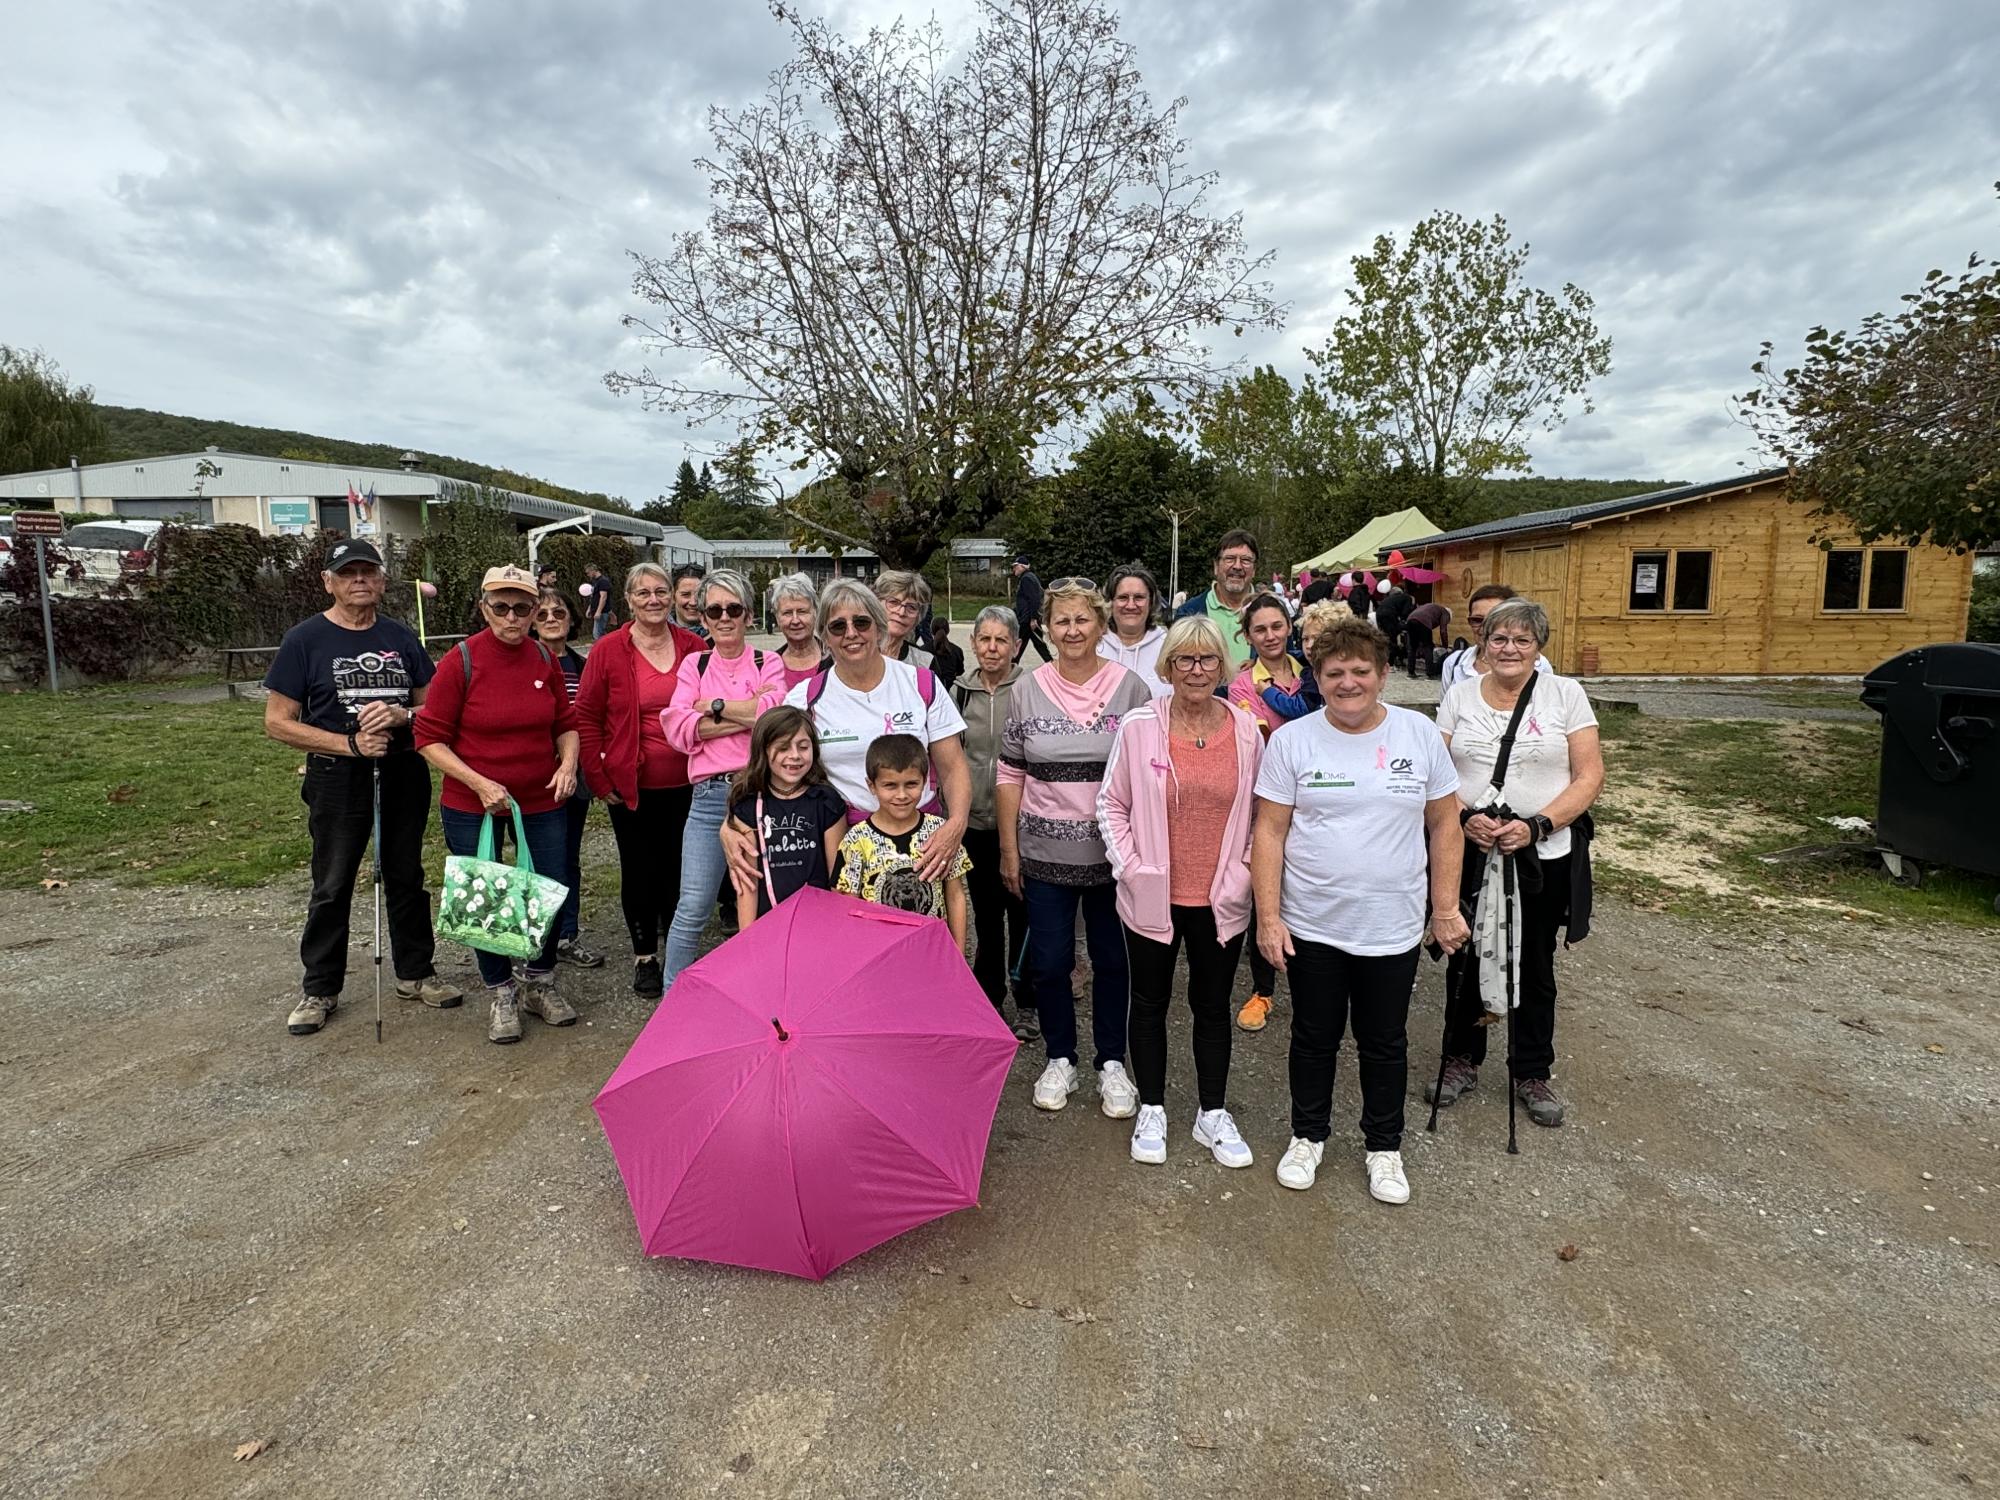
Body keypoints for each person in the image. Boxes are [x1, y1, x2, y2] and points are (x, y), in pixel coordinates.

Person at [1252, 616, 1468, 1204]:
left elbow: (1445, 822)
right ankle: (1308, 1135)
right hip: (1313, 922)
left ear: (1383, 674)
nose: (1348, 683)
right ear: (1316, 679)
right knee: (1313, 1036)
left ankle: (1383, 1147)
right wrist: (1268, 918)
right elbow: (1269, 832)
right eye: (1334, 673)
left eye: (1360, 671)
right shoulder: (1293, 741)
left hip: (1390, 924)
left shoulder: (1417, 735)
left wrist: (1444, 908)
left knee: (1384, 1040)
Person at [263, 537, 458, 1036]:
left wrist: (403, 715)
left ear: (383, 580)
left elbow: (433, 706)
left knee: (406, 874)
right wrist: (347, 744)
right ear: (328, 582)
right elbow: (278, 722)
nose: (359, 581)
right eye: (348, 574)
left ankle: (416, 973)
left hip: (401, 768)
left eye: (368, 572)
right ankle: (320, 987)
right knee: (333, 882)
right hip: (336, 773)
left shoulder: (401, 636)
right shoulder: (304, 640)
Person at [1430, 597, 1604, 1128]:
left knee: (1535, 963)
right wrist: (1463, 817)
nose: (1508, 649)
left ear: (1538, 647)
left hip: (1541, 851)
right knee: (1463, 952)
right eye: (1499, 638)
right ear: (1484, 643)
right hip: (1472, 847)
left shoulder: (1565, 695)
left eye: (1521, 640)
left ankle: (1532, 1069)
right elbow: (1435, 770)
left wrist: (1537, 825)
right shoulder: (1460, 696)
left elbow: (1589, 776)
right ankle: (1461, 1058)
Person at [1098, 615, 1264, 1168]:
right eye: (1185, 660)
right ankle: (1152, 1106)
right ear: (1168, 667)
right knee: (1148, 1003)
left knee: (1212, 1006)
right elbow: (1111, 804)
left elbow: (1262, 814)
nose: (1197, 670)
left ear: (1223, 666)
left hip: (1219, 899)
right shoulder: (1140, 726)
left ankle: (1211, 1113)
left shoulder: (1244, 729)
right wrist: (1133, 868)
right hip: (1153, 896)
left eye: (1208, 659)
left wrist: (1243, 870)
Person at [998, 577, 1153, 1116]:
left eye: (1082, 620)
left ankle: (1112, 1063)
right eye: (1061, 621)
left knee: (1113, 960)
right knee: (1049, 961)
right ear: (1045, 627)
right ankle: (1060, 1056)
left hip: (1114, 856)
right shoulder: (1025, 688)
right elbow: (1010, 771)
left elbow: (1145, 771)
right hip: (1043, 853)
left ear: (1101, 625)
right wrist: (1009, 850)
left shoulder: (1132, 687)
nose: (1072, 630)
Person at [414, 564, 582, 1044]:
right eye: (502, 606)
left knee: (551, 887)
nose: (512, 616)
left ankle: (539, 981)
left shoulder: (544, 661)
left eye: (522, 607)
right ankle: (501, 989)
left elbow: (565, 723)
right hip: (474, 802)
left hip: (540, 798)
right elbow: (428, 738)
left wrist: (568, 764)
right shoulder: (461, 661)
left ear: (534, 611)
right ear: (484, 607)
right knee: (485, 893)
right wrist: (479, 782)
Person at [726, 581, 972, 890]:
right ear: (825, 637)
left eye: (861, 622)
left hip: (918, 840)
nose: (851, 633)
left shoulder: (921, 685)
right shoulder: (806, 698)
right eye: (838, 626)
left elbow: (953, 768)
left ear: (878, 626)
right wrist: (730, 824)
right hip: (843, 842)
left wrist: (955, 826)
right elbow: (766, 770)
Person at [575, 562, 707, 1000]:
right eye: (643, 593)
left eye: (661, 591)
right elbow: (588, 716)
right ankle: (644, 956)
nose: (654, 600)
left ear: (672, 597)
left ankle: (676, 950)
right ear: (628, 600)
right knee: (638, 869)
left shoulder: (692, 645)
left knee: (679, 868)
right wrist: (596, 775)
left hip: (689, 778)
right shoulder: (609, 650)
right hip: (630, 781)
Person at [660, 568, 789, 984]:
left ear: (749, 614)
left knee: (765, 900)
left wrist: (710, 707)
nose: (724, 617)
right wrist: (746, 711)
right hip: (710, 797)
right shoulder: (693, 665)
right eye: (714, 610)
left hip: (760, 794)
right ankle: (671, 998)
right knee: (694, 903)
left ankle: (765, 995)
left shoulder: (766, 661)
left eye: (733, 608)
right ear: (704, 617)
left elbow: (773, 716)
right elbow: (677, 729)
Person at [952, 605, 1039, 1040]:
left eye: (1000, 640)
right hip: (974, 824)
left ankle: (1027, 1003)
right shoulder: (959, 691)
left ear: (1016, 646)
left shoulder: (1031, 688)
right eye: (984, 639)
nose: (991, 648)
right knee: (986, 917)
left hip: (1021, 824)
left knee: (1023, 915)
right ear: (974, 644)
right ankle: (990, 999)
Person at [1224, 591, 1306, 1034]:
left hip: (1318, 804)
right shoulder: (1242, 686)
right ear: (1248, 636)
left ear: (1289, 627)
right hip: (1268, 801)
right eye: (1260, 629)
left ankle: (1313, 983)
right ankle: (1263, 990)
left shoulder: (1311, 672)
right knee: (1265, 894)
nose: (1270, 635)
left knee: (1309, 892)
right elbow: (1263, 744)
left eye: (1277, 626)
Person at [836, 734, 971, 951]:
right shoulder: (855, 840)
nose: (901, 795)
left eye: (911, 784)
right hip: (879, 953)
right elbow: (847, 905)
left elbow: (955, 895)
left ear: (925, 781)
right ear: (871, 785)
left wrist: (958, 952)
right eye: (890, 785)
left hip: (933, 949)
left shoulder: (940, 833)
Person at [532, 590, 604, 968]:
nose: (549, 617)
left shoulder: (583, 664)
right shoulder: (525, 663)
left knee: (567, 858)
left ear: (571, 618)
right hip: (532, 778)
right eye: (540, 613)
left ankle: (566, 934)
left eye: (558, 611)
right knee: (532, 861)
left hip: (573, 777)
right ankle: (533, 936)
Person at [727, 705, 847, 926]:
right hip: (769, 922)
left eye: (803, 747)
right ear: (763, 750)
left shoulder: (826, 801)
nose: (795, 756)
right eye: (783, 748)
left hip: (819, 922)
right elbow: (748, 881)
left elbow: (838, 879)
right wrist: (747, 939)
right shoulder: (748, 805)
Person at [1174, 529, 1261, 673]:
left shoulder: (1272, 612)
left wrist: (1260, 665)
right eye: (1230, 559)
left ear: (1254, 569)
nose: (1237, 566)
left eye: (1245, 560)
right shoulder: (1189, 612)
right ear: (1216, 566)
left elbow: (1286, 661)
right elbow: (1178, 664)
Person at [1438, 583, 1552, 693]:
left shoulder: (1540, 666)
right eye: (1477, 620)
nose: (1484, 628)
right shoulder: (1454, 663)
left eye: (1495, 621)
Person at [1099, 562, 1170, 697]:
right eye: (1123, 597)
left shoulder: (1169, 649)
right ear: (1110, 602)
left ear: (1151, 602)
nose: (1131, 605)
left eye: (1139, 598)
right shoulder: (1093, 646)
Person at [769, 572, 824, 689]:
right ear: (777, 618)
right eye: (787, 613)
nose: (795, 620)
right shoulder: (769, 665)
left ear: (815, 613)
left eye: (802, 611)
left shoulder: (835, 659)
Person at [875, 570, 935, 669]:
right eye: (894, 602)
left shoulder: (925, 663)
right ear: (876, 604)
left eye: (911, 607)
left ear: (918, 617)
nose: (901, 612)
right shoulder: (855, 652)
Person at [1011, 556, 1051, 663]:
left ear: (1022, 566)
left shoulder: (1027, 579)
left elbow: (1034, 599)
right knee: (1037, 644)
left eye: (1016, 566)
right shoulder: (1028, 577)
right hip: (1028, 617)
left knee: (1021, 644)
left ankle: (1012, 666)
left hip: (1027, 619)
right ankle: (1051, 663)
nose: (1014, 569)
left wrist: (1033, 618)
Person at [1403, 599, 1451, 678]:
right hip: (1424, 621)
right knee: (1428, 646)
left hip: (1410, 619)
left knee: (1413, 647)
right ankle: (1430, 673)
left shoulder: (1432, 608)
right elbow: (1443, 631)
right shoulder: (1445, 612)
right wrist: (1445, 646)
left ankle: (1411, 673)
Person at [927, 616, 966, 690]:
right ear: (948, 630)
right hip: (951, 691)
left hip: (930, 691)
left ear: (931, 630)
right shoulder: (957, 650)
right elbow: (960, 673)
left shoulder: (923, 650)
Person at [671, 563, 709, 639]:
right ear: (673, 597)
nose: (693, 602)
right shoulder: (661, 635)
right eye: (685, 594)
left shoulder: (718, 636)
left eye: (698, 595)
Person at [582, 563, 614, 641]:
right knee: (600, 633)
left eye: (588, 573)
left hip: (602, 612)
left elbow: (603, 597)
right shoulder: (595, 581)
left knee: (597, 634)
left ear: (593, 571)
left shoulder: (603, 581)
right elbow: (594, 596)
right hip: (596, 610)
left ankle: (602, 650)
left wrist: (598, 611)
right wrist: (589, 608)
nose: (588, 575)